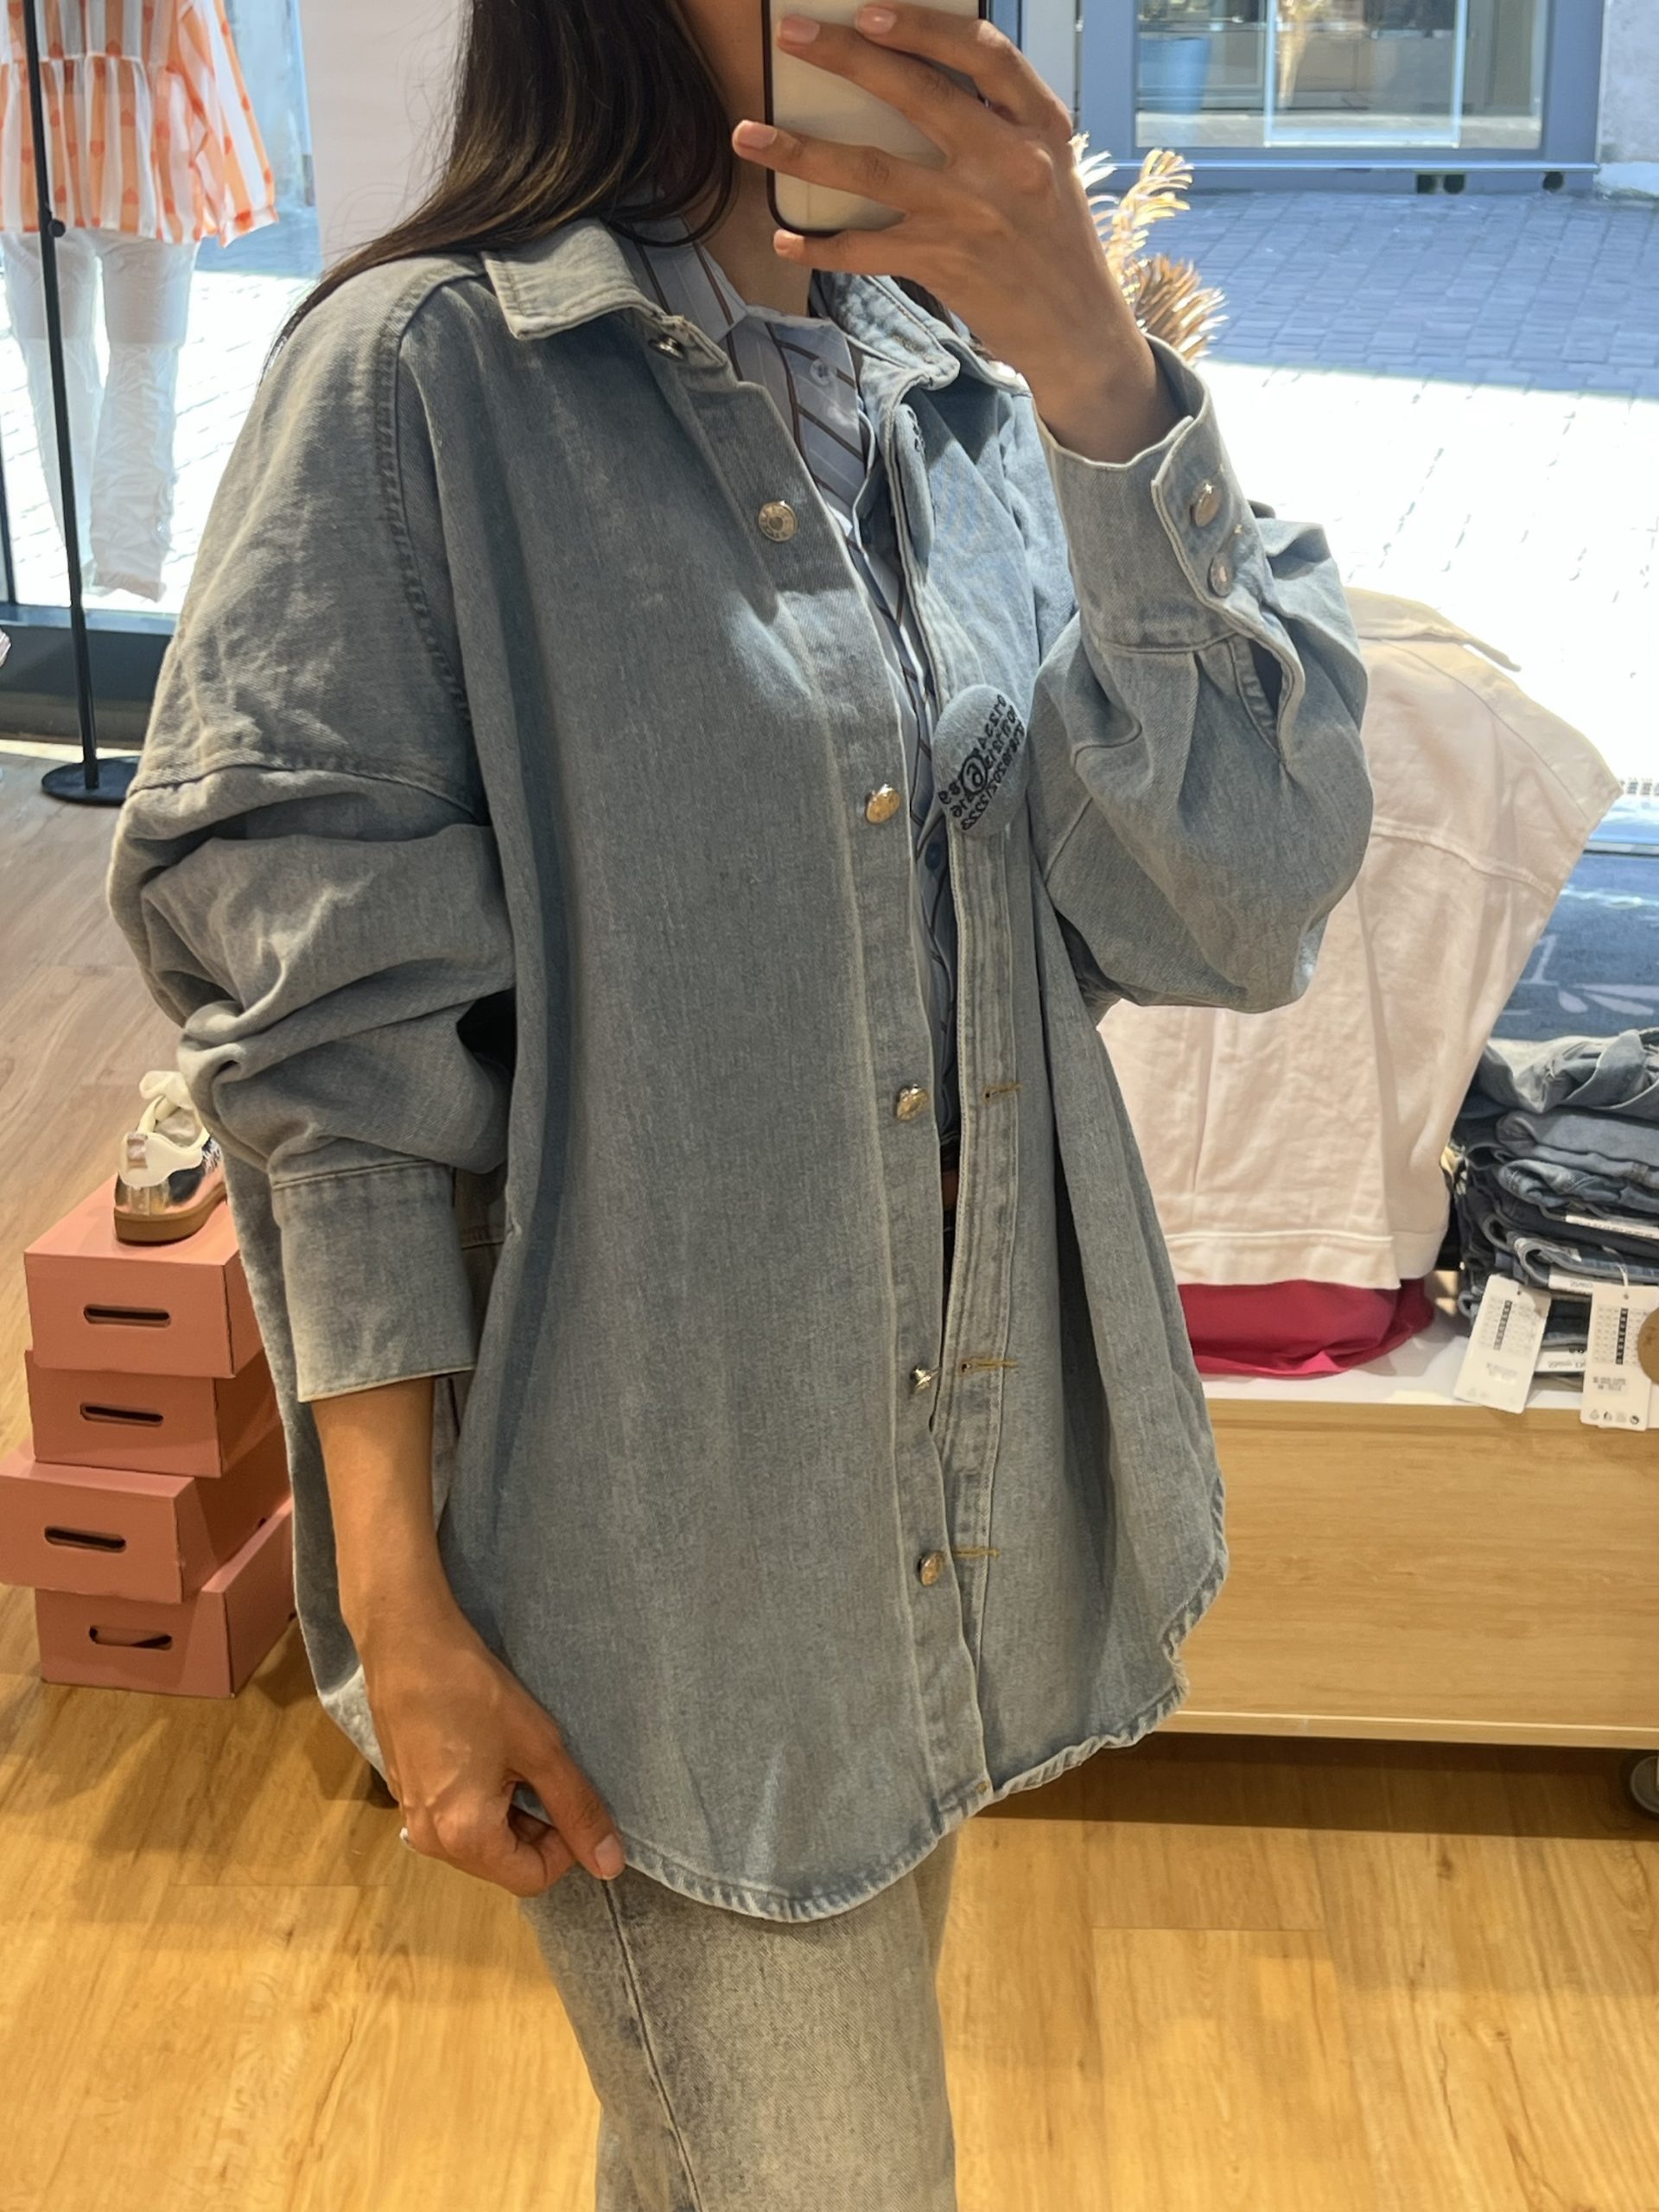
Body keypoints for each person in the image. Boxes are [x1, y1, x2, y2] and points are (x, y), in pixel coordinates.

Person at [106, 3, 1373, 2205]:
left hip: (924, 1521)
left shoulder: (967, 394)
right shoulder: (421, 386)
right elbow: (330, 1054)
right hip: (650, 1592)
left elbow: (1236, 904)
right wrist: (394, 1594)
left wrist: (1098, 372)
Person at [0, 0, 276, 597]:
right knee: (135, 368)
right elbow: (204, 56)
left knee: (58, 369)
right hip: (145, 173)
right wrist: (235, 190)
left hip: (31, 172)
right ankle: (121, 559)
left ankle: (92, 553)